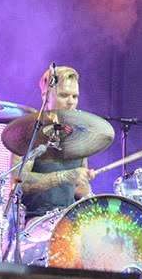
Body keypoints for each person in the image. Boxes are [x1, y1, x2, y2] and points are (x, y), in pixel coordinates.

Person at [12, 65, 95, 221]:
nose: (71, 102)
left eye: (75, 96)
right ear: (46, 96)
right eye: (64, 95)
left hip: (66, 221)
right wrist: (65, 176)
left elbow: (79, 186)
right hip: (34, 220)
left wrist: (93, 201)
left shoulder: (79, 135)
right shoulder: (30, 131)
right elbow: (20, 183)